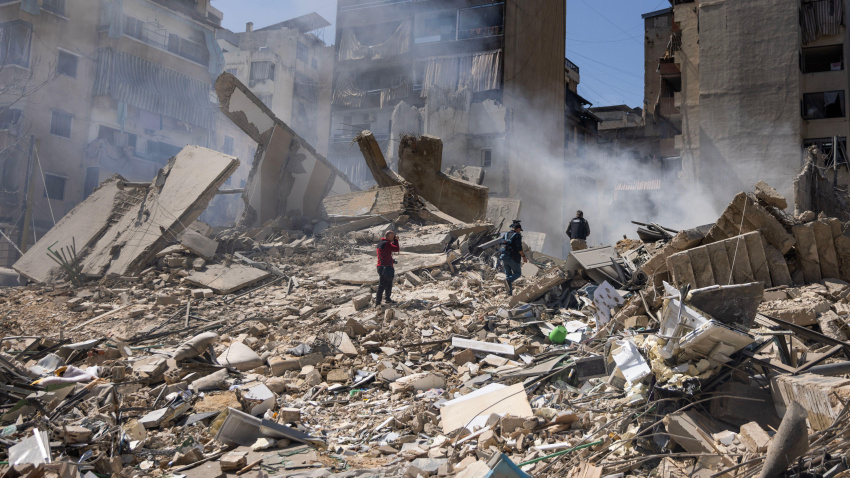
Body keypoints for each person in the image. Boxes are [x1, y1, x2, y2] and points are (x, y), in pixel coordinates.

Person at [500, 220, 528, 296]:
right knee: (518, 273)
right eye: (520, 230)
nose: (520, 231)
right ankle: (508, 280)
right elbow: (519, 249)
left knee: (508, 274)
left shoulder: (506, 234)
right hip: (513, 258)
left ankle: (509, 293)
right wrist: (524, 257)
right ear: (518, 228)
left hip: (504, 257)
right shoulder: (517, 235)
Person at [375, 230, 400, 306]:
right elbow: (396, 249)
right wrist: (396, 240)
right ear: (388, 236)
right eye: (393, 236)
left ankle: (387, 299)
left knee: (388, 284)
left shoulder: (381, 243)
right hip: (385, 268)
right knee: (382, 285)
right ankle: (378, 303)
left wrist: (392, 260)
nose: (394, 237)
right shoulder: (386, 243)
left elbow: (384, 255)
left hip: (382, 267)